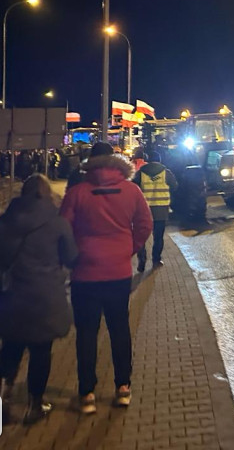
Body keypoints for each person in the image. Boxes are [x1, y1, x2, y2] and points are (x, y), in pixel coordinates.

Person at [60, 141, 152, 414]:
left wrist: (74, 257)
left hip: (85, 275)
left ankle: (87, 393)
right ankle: (123, 387)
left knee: (86, 334)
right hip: (118, 273)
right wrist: (128, 249)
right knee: (119, 330)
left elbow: (62, 230)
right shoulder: (131, 190)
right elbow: (145, 224)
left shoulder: (77, 193)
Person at [0, 174, 78, 425]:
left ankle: (2, 399)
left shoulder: (7, 220)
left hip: (11, 295)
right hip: (44, 297)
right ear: (46, 195)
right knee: (41, 351)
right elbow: (71, 257)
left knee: (10, 347)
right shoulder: (58, 224)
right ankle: (35, 405)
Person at [132, 150, 178, 270]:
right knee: (158, 237)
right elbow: (175, 186)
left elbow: (133, 188)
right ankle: (156, 260)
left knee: (141, 236)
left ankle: (142, 260)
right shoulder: (166, 173)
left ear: (147, 160)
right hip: (161, 210)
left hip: (144, 211)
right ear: (160, 159)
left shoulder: (140, 173)